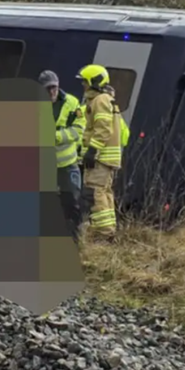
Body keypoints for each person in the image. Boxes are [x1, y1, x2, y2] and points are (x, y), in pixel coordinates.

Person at [76, 64, 123, 239]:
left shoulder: (100, 100)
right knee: (104, 192)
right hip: (106, 158)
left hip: (101, 158)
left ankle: (103, 233)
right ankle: (109, 231)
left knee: (94, 192)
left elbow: (103, 128)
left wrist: (92, 150)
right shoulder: (105, 99)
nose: (83, 86)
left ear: (94, 82)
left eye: (85, 82)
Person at [38, 70, 86, 241]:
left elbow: (79, 129)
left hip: (66, 164)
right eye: (48, 89)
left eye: (54, 87)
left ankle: (74, 241)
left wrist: (56, 137)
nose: (52, 92)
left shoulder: (71, 103)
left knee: (71, 202)